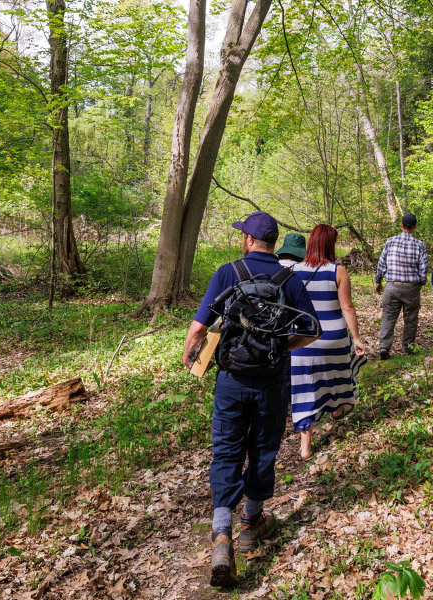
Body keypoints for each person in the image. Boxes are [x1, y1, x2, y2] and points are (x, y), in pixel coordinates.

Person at [181, 211, 320, 588]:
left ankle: (221, 534)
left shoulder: (229, 272)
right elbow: (312, 328)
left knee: (226, 450)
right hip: (271, 382)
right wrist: (284, 345)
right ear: (273, 243)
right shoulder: (288, 278)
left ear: (248, 241)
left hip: (230, 379)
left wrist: (190, 352)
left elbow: (199, 327)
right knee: (263, 449)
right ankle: (251, 523)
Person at [290, 225, 367, 459]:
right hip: (333, 338)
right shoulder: (338, 271)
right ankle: (338, 408)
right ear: (330, 245)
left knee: (305, 389)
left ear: (311, 243)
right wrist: (357, 338)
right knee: (341, 374)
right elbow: (347, 307)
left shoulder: (293, 270)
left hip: (302, 341)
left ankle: (305, 447)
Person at [375, 214, 428, 360]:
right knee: (410, 319)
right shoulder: (419, 245)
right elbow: (423, 269)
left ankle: (384, 346)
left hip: (392, 287)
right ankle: (408, 348)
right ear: (415, 226)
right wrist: (421, 283)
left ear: (401, 225)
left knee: (388, 317)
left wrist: (378, 281)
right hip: (411, 287)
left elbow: (381, 264)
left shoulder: (390, 242)